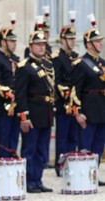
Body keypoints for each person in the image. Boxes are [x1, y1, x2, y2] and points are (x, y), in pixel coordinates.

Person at [15, 30, 55, 193]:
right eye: (37, 44)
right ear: (30, 46)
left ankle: (37, 179)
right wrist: (24, 117)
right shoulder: (24, 67)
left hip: (45, 113)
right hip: (32, 113)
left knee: (41, 150)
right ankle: (29, 181)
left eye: (43, 44)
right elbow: (20, 94)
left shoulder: (46, 65)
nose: (41, 47)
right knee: (29, 149)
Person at [72, 18, 105, 185]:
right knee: (86, 146)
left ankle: (93, 175)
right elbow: (74, 90)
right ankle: (83, 177)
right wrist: (78, 112)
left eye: (100, 41)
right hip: (88, 110)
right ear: (89, 44)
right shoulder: (81, 64)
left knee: (98, 146)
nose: (100, 44)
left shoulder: (102, 63)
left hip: (102, 110)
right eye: (97, 41)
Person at [0, 23, 20, 158]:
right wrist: (10, 94)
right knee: (3, 138)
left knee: (13, 137)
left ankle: (11, 164)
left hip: (15, 105)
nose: (14, 44)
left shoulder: (15, 59)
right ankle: (2, 163)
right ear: (3, 42)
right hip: (1, 105)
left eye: (14, 41)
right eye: (11, 41)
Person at [52, 23, 80, 175]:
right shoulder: (58, 57)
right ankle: (61, 166)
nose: (73, 41)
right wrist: (68, 95)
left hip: (75, 104)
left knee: (73, 137)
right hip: (63, 103)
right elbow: (56, 81)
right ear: (63, 40)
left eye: (74, 38)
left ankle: (71, 165)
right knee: (62, 137)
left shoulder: (75, 57)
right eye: (70, 38)